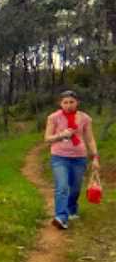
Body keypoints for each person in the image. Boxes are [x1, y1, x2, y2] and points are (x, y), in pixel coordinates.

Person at [43, 90, 100, 229]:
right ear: (60, 103)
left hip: (79, 158)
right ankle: (61, 217)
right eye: (65, 102)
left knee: (75, 189)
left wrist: (95, 158)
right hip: (59, 157)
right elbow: (47, 138)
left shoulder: (85, 118)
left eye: (71, 102)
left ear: (77, 103)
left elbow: (90, 139)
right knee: (62, 187)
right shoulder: (53, 117)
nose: (68, 105)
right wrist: (61, 135)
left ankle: (72, 209)